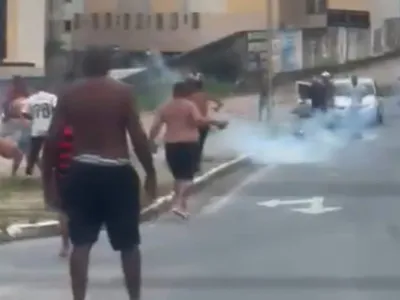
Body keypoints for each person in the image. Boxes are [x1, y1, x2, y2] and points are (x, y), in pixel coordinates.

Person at [42, 47, 157, 300]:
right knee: (128, 244)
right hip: (117, 171)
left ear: (84, 68)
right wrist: (150, 172)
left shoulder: (69, 94)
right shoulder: (123, 92)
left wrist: (47, 179)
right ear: (108, 67)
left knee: (81, 243)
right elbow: (137, 136)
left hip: (80, 171)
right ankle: (134, 297)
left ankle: (79, 298)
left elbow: (53, 138)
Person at [148, 80, 227, 219]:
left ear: (173, 93)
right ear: (185, 93)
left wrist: (150, 142)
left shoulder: (164, 107)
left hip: (171, 145)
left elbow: (155, 127)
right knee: (188, 178)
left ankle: (182, 207)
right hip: (189, 144)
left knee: (179, 177)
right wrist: (216, 122)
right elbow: (198, 121)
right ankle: (178, 203)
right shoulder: (189, 105)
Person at [186, 77, 223, 173]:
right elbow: (219, 102)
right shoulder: (205, 95)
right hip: (204, 124)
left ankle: (193, 164)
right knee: (200, 145)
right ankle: (196, 164)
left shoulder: (189, 97)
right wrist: (217, 108)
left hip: (193, 124)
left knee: (192, 145)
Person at [21, 87, 58, 175]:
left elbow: (24, 113)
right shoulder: (52, 97)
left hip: (37, 129)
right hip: (50, 128)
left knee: (34, 151)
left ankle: (29, 169)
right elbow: (57, 109)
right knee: (55, 149)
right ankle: (55, 168)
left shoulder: (31, 99)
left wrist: (33, 118)